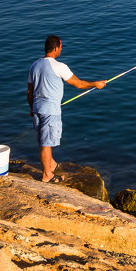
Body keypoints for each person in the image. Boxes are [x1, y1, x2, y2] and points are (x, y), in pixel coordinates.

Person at [27, 34, 105, 183]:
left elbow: (29, 91)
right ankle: (47, 175)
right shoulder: (59, 66)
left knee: (44, 141)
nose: (61, 49)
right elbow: (79, 84)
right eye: (61, 47)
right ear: (56, 48)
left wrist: (31, 108)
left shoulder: (34, 65)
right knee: (46, 143)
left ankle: (52, 165)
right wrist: (96, 84)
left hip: (37, 108)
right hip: (50, 110)